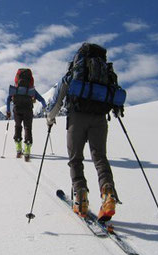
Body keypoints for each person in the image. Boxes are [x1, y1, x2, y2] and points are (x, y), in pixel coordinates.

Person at [46, 43, 120, 221]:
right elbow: (114, 96)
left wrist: (50, 118)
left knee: (75, 158)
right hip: (100, 119)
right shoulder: (106, 73)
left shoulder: (74, 72)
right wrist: (116, 111)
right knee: (100, 158)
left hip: (77, 118)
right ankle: (108, 194)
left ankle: (80, 198)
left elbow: (58, 97)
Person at [6, 68, 47, 161]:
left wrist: (8, 111)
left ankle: (18, 148)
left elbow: (8, 99)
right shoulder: (31, 90)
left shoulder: (15, 89)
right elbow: (42, 100)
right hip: (28, 110)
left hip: (17, 110)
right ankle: (27, 149)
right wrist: (45, 108)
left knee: (17, 126)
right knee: (28, 128)